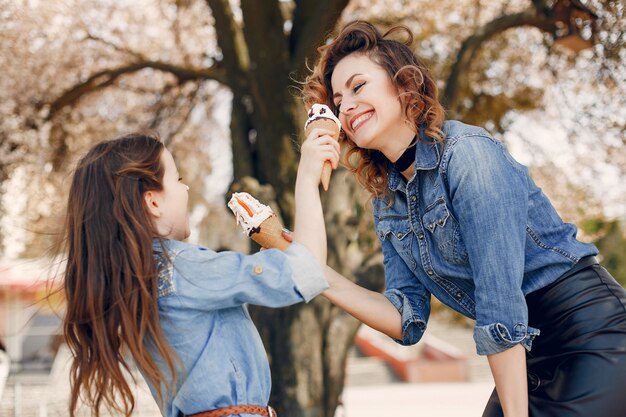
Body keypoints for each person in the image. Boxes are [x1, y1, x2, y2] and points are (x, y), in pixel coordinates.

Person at [301, 21, 626, 417]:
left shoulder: (467, 154)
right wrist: (318, 276)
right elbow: (406, 319)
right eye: (338, 101)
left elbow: (500, 304)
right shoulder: (388, 201)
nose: (346, 106)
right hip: (527, 349)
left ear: (403, 83)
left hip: (591, 336)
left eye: (358, 86)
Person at [60, 132, 340, 417]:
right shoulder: (182, 268)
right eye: (178, 180)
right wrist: (306, 177)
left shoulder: (137, 281)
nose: (186, 189)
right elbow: (304, 271)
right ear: (153, 202)